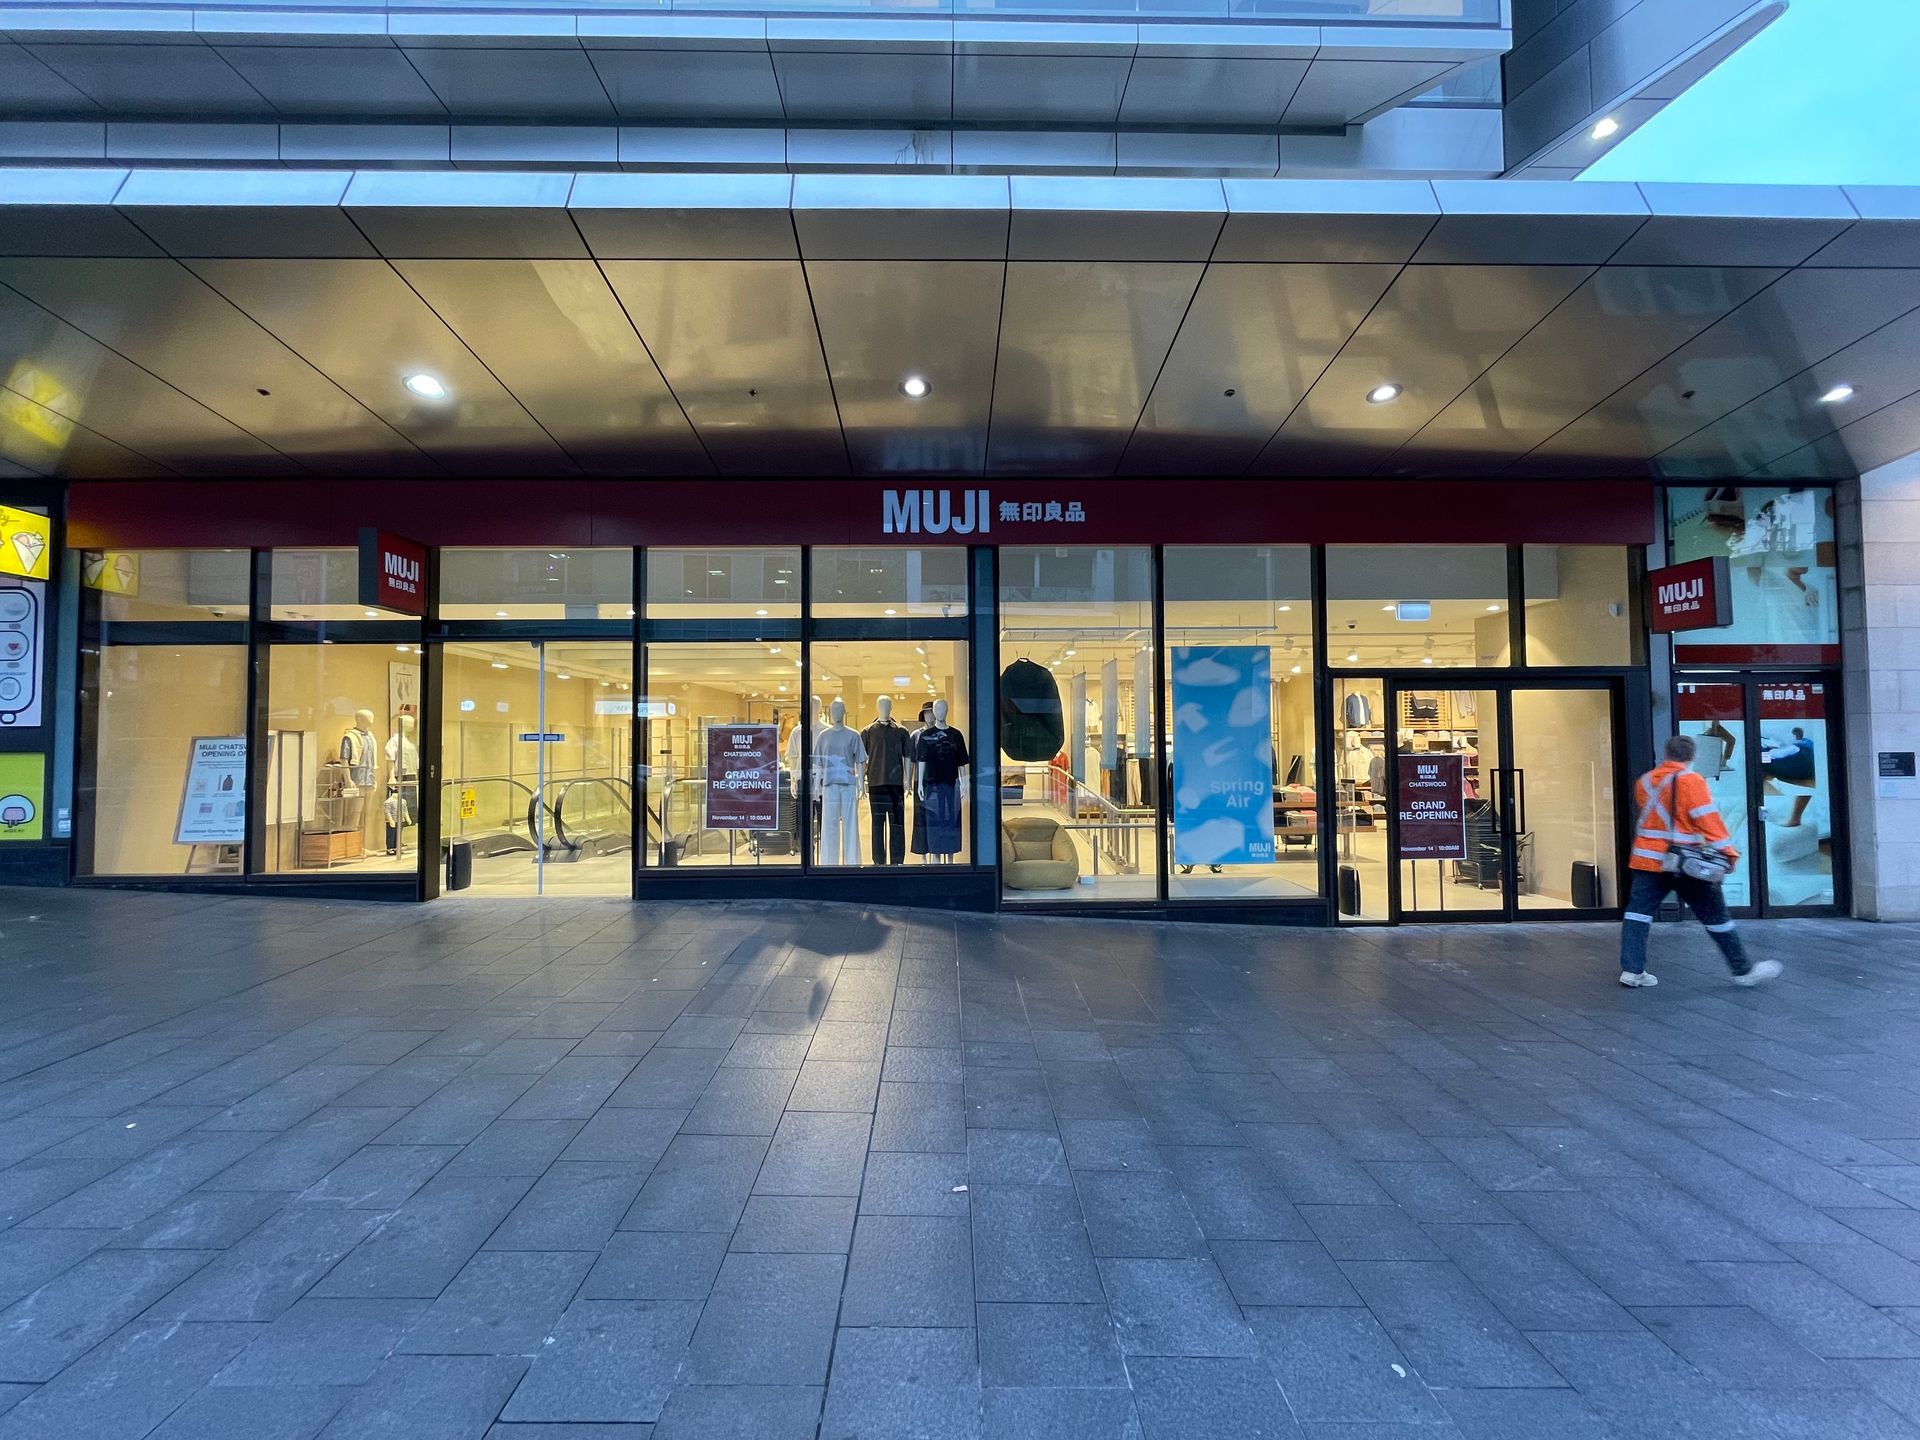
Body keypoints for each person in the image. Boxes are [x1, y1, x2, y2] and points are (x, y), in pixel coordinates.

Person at [1620, 734, 1782, 990]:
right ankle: (1742, 971)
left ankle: (1632, 971)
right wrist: (1728, 853)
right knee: (1717, 918)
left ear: (1666, 752)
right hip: (1686, 863)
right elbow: (1706, 818)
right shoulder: (1690, 780)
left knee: (1637, 915)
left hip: (1648, 859)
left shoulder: (1645, 781)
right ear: (1692, 756)